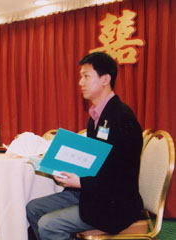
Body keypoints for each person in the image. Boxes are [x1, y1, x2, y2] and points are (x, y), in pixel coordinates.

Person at [26, 52, 143, 240]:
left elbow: (121, 173)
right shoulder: (96, 117)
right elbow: (95, 162)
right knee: (33, 208)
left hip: (115, 202)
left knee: (49, 225)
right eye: (81, 76)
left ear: (105, 79)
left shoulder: (121, 118)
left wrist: (80, 182)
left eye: (86, 76)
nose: (80, 82)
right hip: (93, 192)